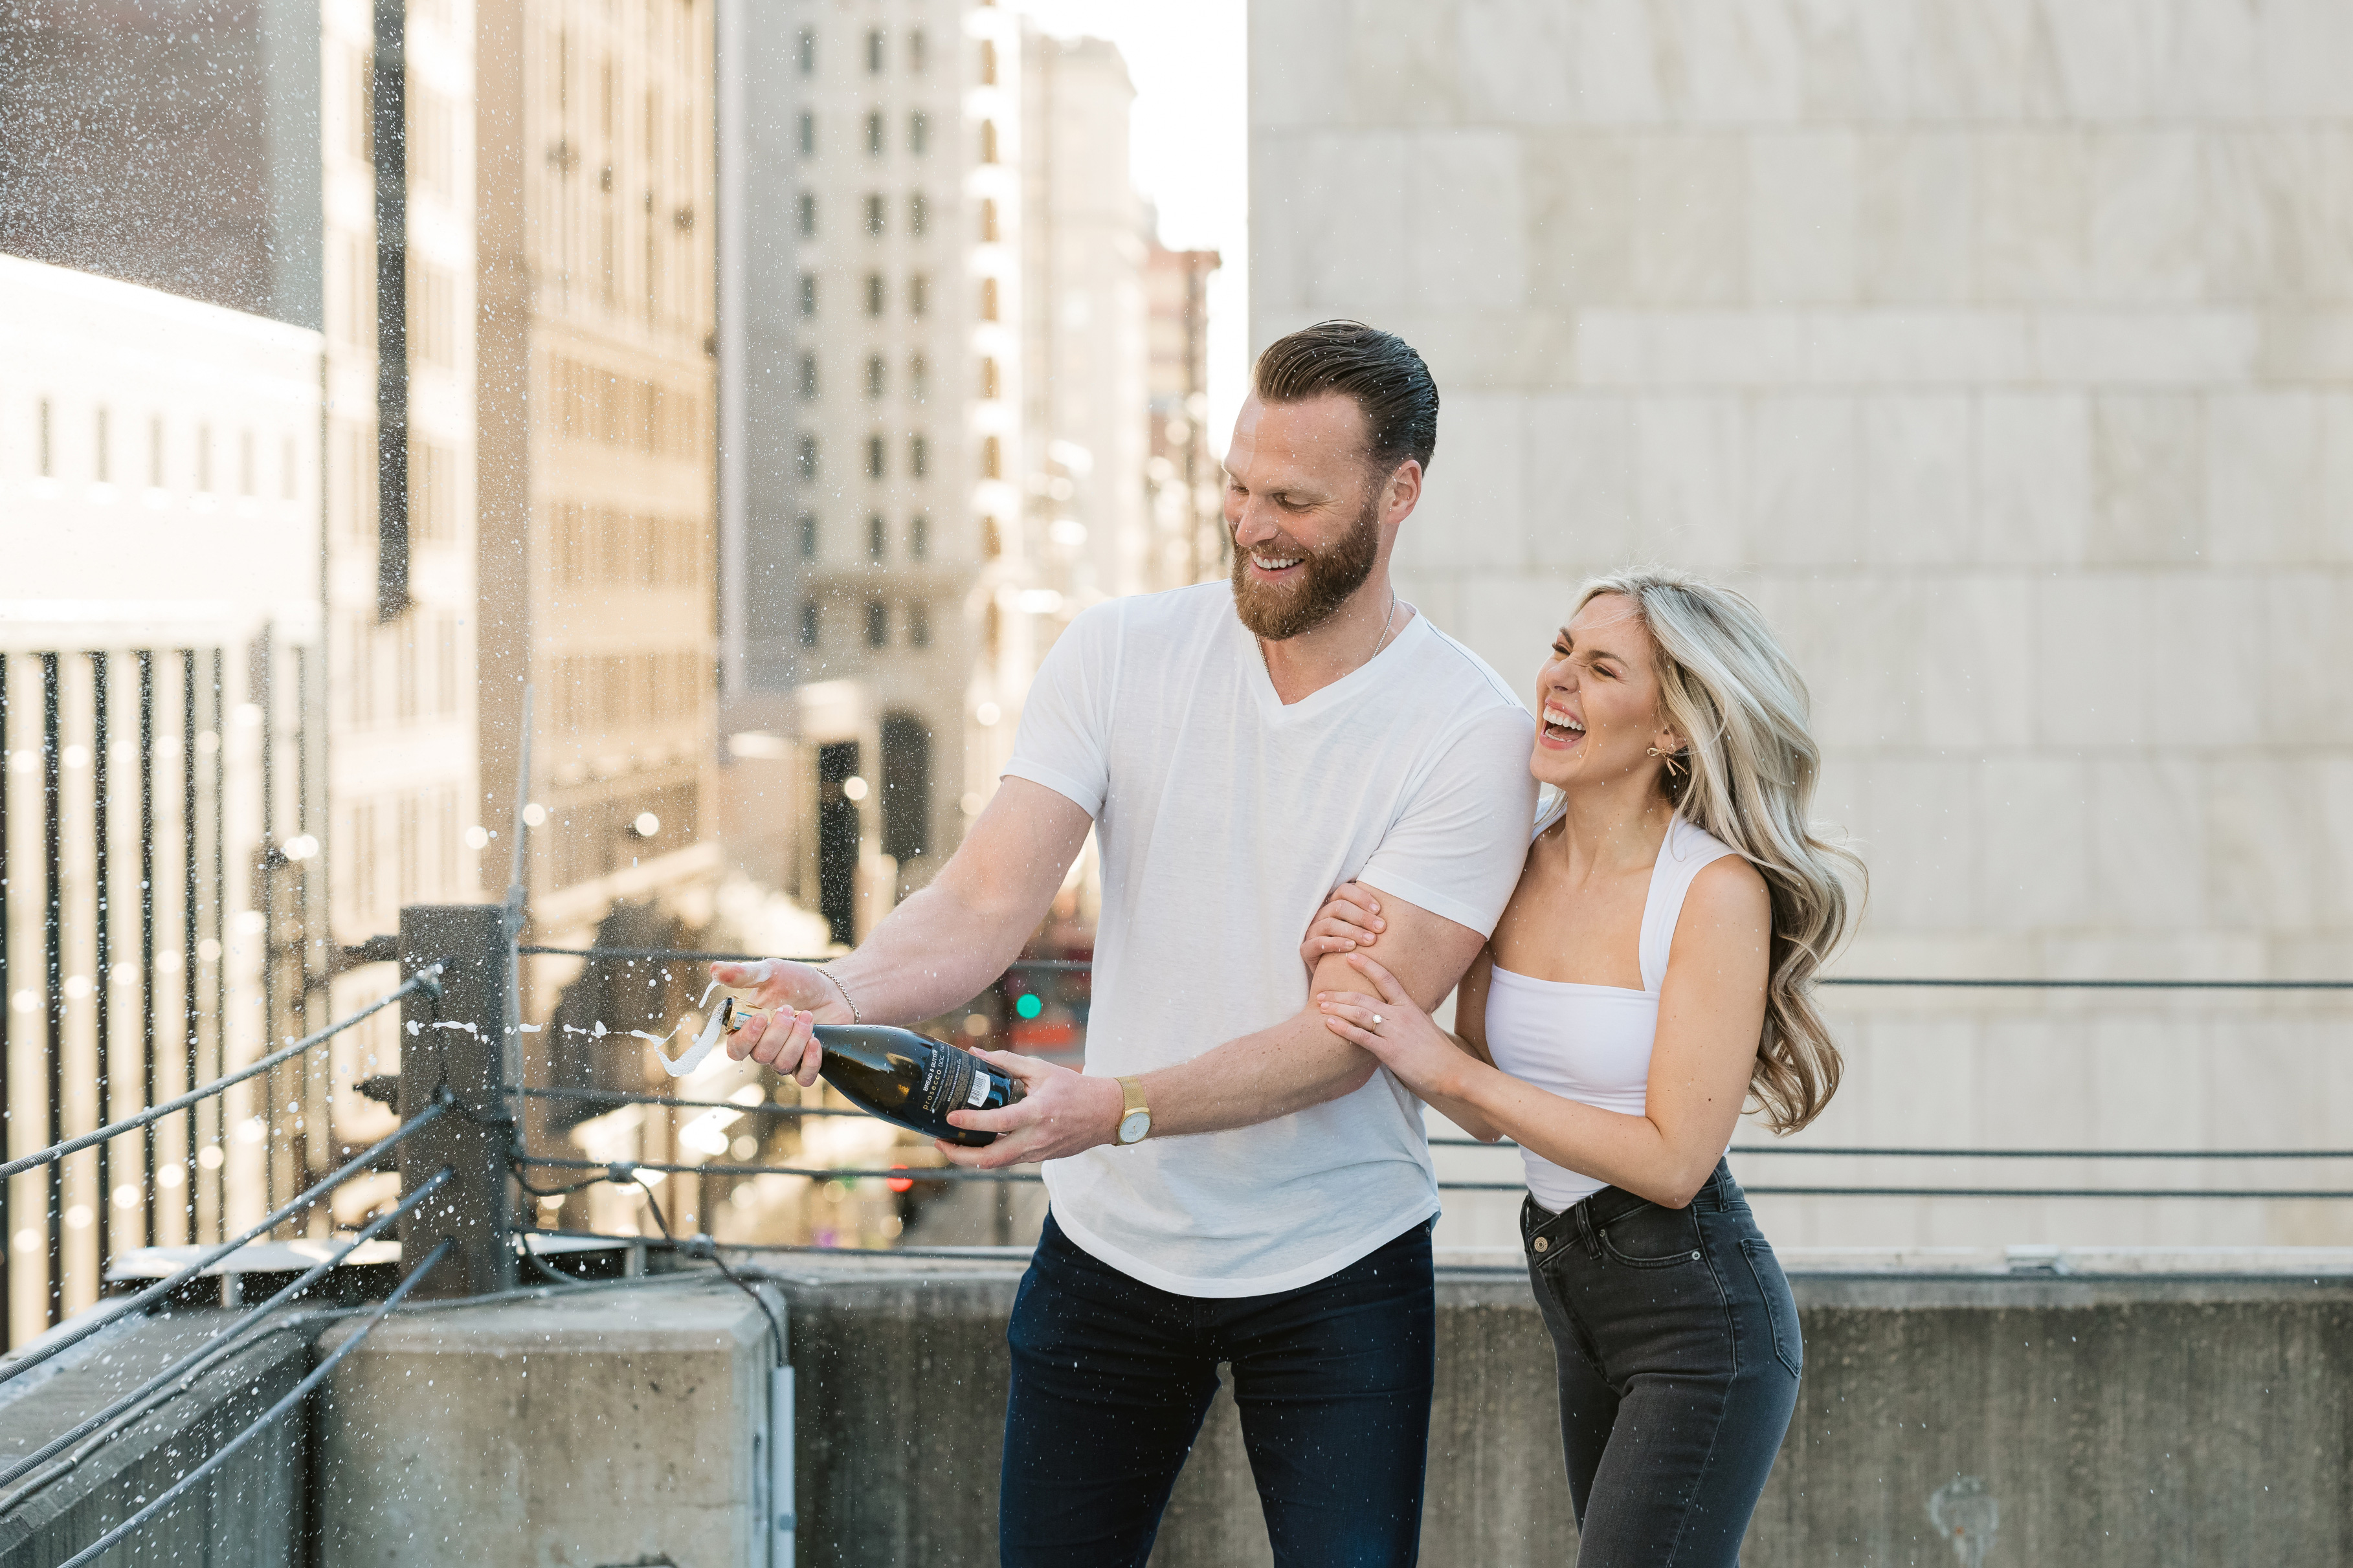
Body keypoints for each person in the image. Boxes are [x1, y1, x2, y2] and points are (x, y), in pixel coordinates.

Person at [712, 320, 1537, 1567]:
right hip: (1108, 1253)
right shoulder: (1119, 652)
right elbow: (988, 900)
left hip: (1339, 1268)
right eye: (1238, 487)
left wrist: (1118, 1106)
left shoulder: (1470, 732)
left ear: (1401, 492)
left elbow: (1351, 1039)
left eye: (1296, 502)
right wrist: (836, 987)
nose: (1252, 525)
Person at [1304, 569, 1863, 1567]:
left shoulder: (1714, 892)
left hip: (1700, 1321)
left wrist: (1455, 1072)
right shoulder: (1516, 859)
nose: (1558, 679)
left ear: (1670, 731)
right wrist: (1347, 962)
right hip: (1577, 1295)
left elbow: (1673, 1160)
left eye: (1602, 668)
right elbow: (1474, 1093)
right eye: (1562, 649)